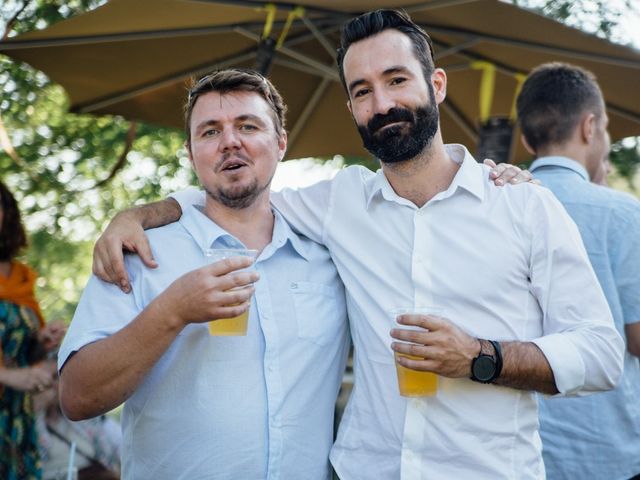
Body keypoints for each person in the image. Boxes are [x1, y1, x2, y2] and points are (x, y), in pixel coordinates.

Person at [91, 10, 623, 479]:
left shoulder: (524, 205)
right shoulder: (339, 203)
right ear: (350, 108)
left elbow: (601, 353)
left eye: (396, 80)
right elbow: (234, 192)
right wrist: (135, 215)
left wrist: (480, 358)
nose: (382, 102)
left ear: (436, 84)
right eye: (362, 90)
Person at [58, 69, 351, 479]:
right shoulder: (140, 251)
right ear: (191, 153)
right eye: (210, 132)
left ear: (281, 143)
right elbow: (76, 396)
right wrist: (172, 312)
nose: (230, 141)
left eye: (248, 126)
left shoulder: (331, 255)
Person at [517, 62, 640, 480]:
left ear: (524, 137)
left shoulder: (497, 205)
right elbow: (637, 339)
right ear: (590, 127)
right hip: (603, 449)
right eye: (605, 130)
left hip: (516, 448)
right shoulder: (624, 214)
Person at [0, 180, 65, 480]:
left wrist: (41, 341)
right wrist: (11, 376)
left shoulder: (20, 276)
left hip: (17, 421)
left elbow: (25, 351)